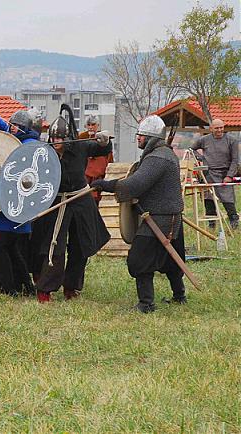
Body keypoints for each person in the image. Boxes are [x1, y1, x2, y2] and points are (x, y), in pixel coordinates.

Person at [92, 115, 186, 312]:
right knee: (171, 258)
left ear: (151, 137)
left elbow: (135, 185)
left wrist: (106, 185)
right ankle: (179, 296)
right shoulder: (163, 154)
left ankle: (146, 304)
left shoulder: (158, 158)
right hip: (169, 216)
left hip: (160, 218)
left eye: (141, 135)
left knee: (140, 258)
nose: (138, 138)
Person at [30, 117, 112, 303]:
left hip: (80, 199)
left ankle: (71, 286)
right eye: (53, 138)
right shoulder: (44, 152)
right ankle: (45, 289)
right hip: (57, 201)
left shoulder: (80, 147)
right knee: (54, 246)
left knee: (80, 245)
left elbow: (101, 149)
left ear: (67, 138)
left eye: (60, 138)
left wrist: (104, 141)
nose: (56, 141)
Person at [0, 101, 36, 296]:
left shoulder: (30, 145)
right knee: (10, 250)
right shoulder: (11, 137)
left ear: (24, 128)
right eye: (12, 124)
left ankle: (10, 288)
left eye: (16, 126)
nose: (12, 128)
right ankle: (25, 287)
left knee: (0, 249)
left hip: (16, 205)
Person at [190, 119, 239, 228]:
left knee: (228, 201)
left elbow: (235, 160)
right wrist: (201, 158)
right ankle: (211, 225)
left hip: (224, 174)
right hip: (209, 173)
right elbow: (191, 149)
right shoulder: (204, 140)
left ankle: (234, 223)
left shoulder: (232, 140)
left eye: (221, 127)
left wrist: (229, 175)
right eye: (217, 128)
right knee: (209, 200)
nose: (219, 130)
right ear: (211, 128)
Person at [82, 115, 114, 204]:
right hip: (85, 177)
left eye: (93, 125)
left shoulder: (103, 139)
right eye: (88, 125)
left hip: (100, 177)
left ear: (98, 125)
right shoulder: (81, 138)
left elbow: (109, 159)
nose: (91, 127)